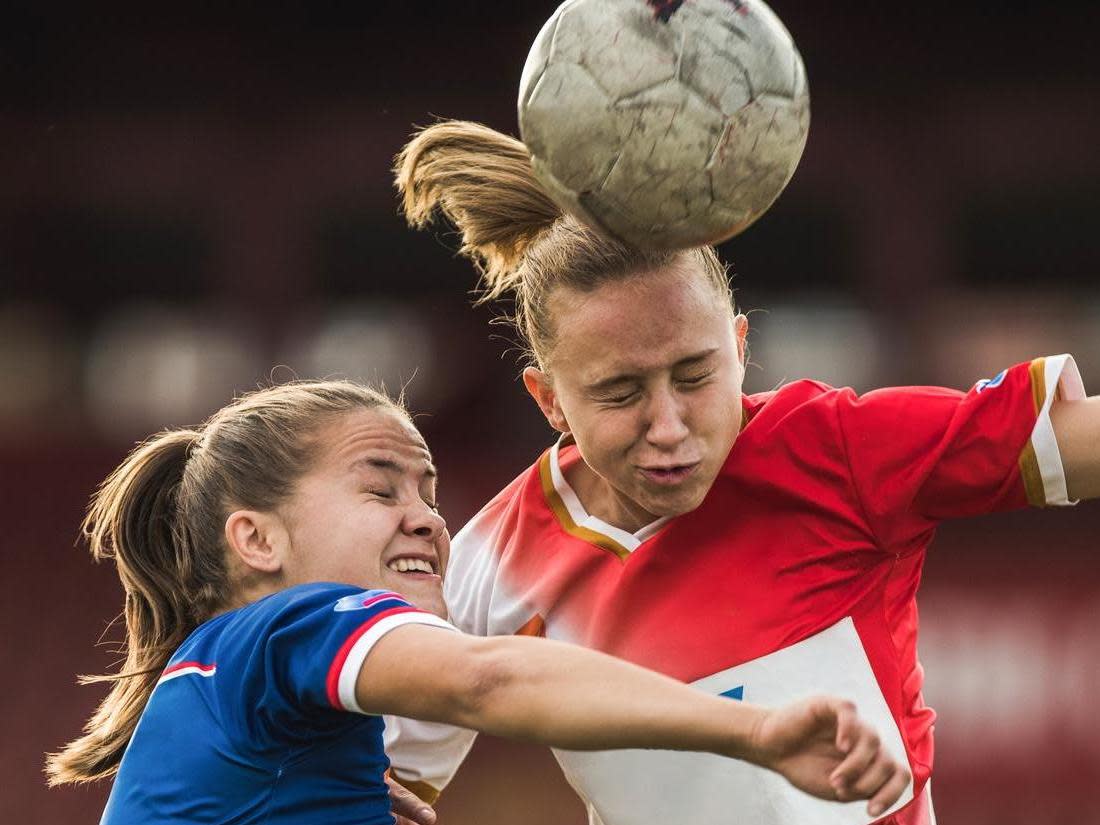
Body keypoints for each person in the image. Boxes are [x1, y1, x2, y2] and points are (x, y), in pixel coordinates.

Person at [386, 120, 1100, 825]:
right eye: (621, 392)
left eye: (695, 375)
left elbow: (1076, 441)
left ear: (739, 347)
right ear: (550, 401)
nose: (668, 426)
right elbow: (382, 774)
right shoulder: (492, 563)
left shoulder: (834, 449)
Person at [47, 381, 909, 825]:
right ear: (258, 541)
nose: (425, 515)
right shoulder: (285, 624)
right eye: (381, 490)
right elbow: (488, 679)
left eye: (429, 490)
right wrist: (755, 732)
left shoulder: (244, 695)